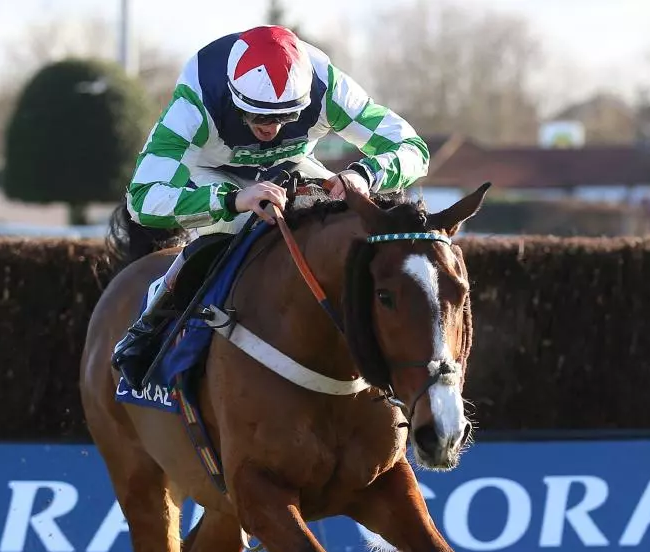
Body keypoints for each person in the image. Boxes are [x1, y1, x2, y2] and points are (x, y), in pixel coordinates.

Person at [110, 24, 431, 388]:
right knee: (234, 225)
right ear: (233, 98)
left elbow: (413, 148)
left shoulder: (327, 86)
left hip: (289, 165)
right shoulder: (197, 99)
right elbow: (142, 199)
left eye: (287, 117)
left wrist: (364, 174)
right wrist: (232, 200)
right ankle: (149, 328)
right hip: (212, 171)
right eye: (259, 116)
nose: (273, 129)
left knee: (346, 220)